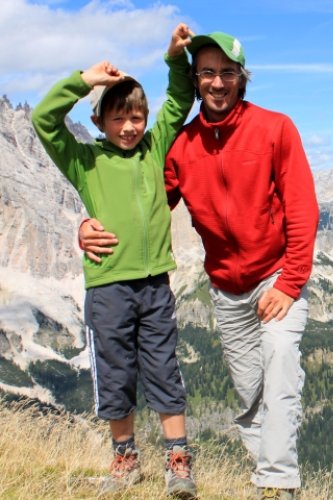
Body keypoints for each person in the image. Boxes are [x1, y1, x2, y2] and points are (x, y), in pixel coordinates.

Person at [80, 31, 320, 499]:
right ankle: (264, 473)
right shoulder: (182, 144)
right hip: (227, 290)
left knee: (282, 365)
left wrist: (290, 283)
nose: (217, 82)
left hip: (276, 277)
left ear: (241, 79)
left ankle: (277, 485)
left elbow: (302, 208)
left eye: (227, 73)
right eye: (207, 72)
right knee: (249, 392)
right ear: (196, 79)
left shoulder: (276, 128)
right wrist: (87, 224)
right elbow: (145, 208)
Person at [33, 24, 198, 498]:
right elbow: (44, 119)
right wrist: (85, 80)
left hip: (153, 283)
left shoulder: (154, 146)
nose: (130, 127)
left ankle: (178, 461)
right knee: (116, 373)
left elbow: (179, 100)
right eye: (119, 118)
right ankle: (125, 461)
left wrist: (172, 58)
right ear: (101, 120)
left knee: (164, 368)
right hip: (107, 287)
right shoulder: (83, 161)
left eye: (137, 117)